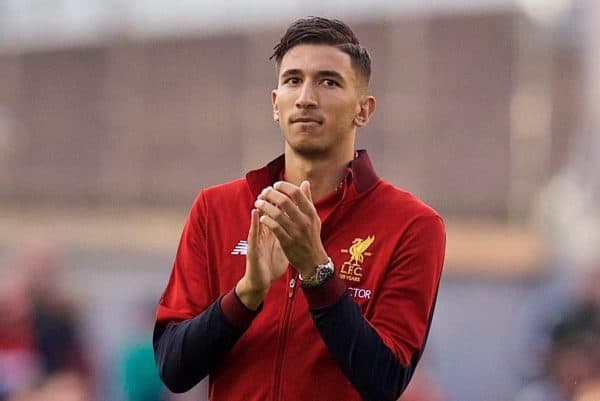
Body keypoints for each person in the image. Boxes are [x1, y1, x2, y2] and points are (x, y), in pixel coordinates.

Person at [153, 16, 446, 401]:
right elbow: (174, 368)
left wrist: (317, 272)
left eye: (328, 81)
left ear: (364, 110)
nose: (306, 97)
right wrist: (247, 293)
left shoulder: (413, 225)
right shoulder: (215, 208)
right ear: (276, 104)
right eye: (293, 80)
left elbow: (385, 380)